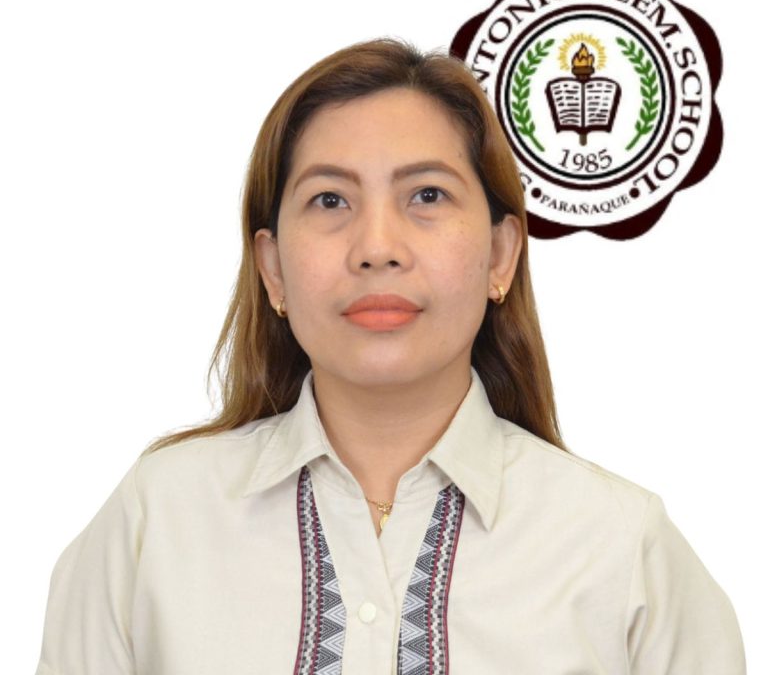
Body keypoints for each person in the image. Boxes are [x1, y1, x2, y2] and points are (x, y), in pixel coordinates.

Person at [35, 38, 745, 674]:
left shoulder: (620, 547)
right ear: (273, 268)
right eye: (330, 200)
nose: (377, 247)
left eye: (427, 195)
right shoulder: (156, 522)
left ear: (500, 255)